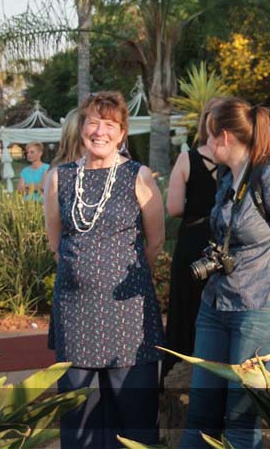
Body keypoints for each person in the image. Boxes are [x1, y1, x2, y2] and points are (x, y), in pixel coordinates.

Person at [181, 97, 270, 449]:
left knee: (241, 419)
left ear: (225, 137)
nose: (205, 143)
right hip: (217, 304)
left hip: (263, 306)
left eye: (209, 135)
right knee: (200, 414)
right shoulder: (228, 176)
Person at [44, 92, 165, 447]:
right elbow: (56, 243)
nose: (100, 132)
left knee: (134, 417)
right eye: (93, 122)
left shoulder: (138, 175)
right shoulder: (59, 177)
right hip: (76, 314)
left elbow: (155, 242)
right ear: (81, 127)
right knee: (78, 418)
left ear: (122, 132)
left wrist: (116, 275)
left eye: (110, 124)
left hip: (128, 317)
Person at [162, 99, 220, 382]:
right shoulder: (240, 160)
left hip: (194, 241)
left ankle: (178, 376)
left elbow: (174, 208)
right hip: (227, 243)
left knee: (186, 310)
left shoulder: (188, 159)